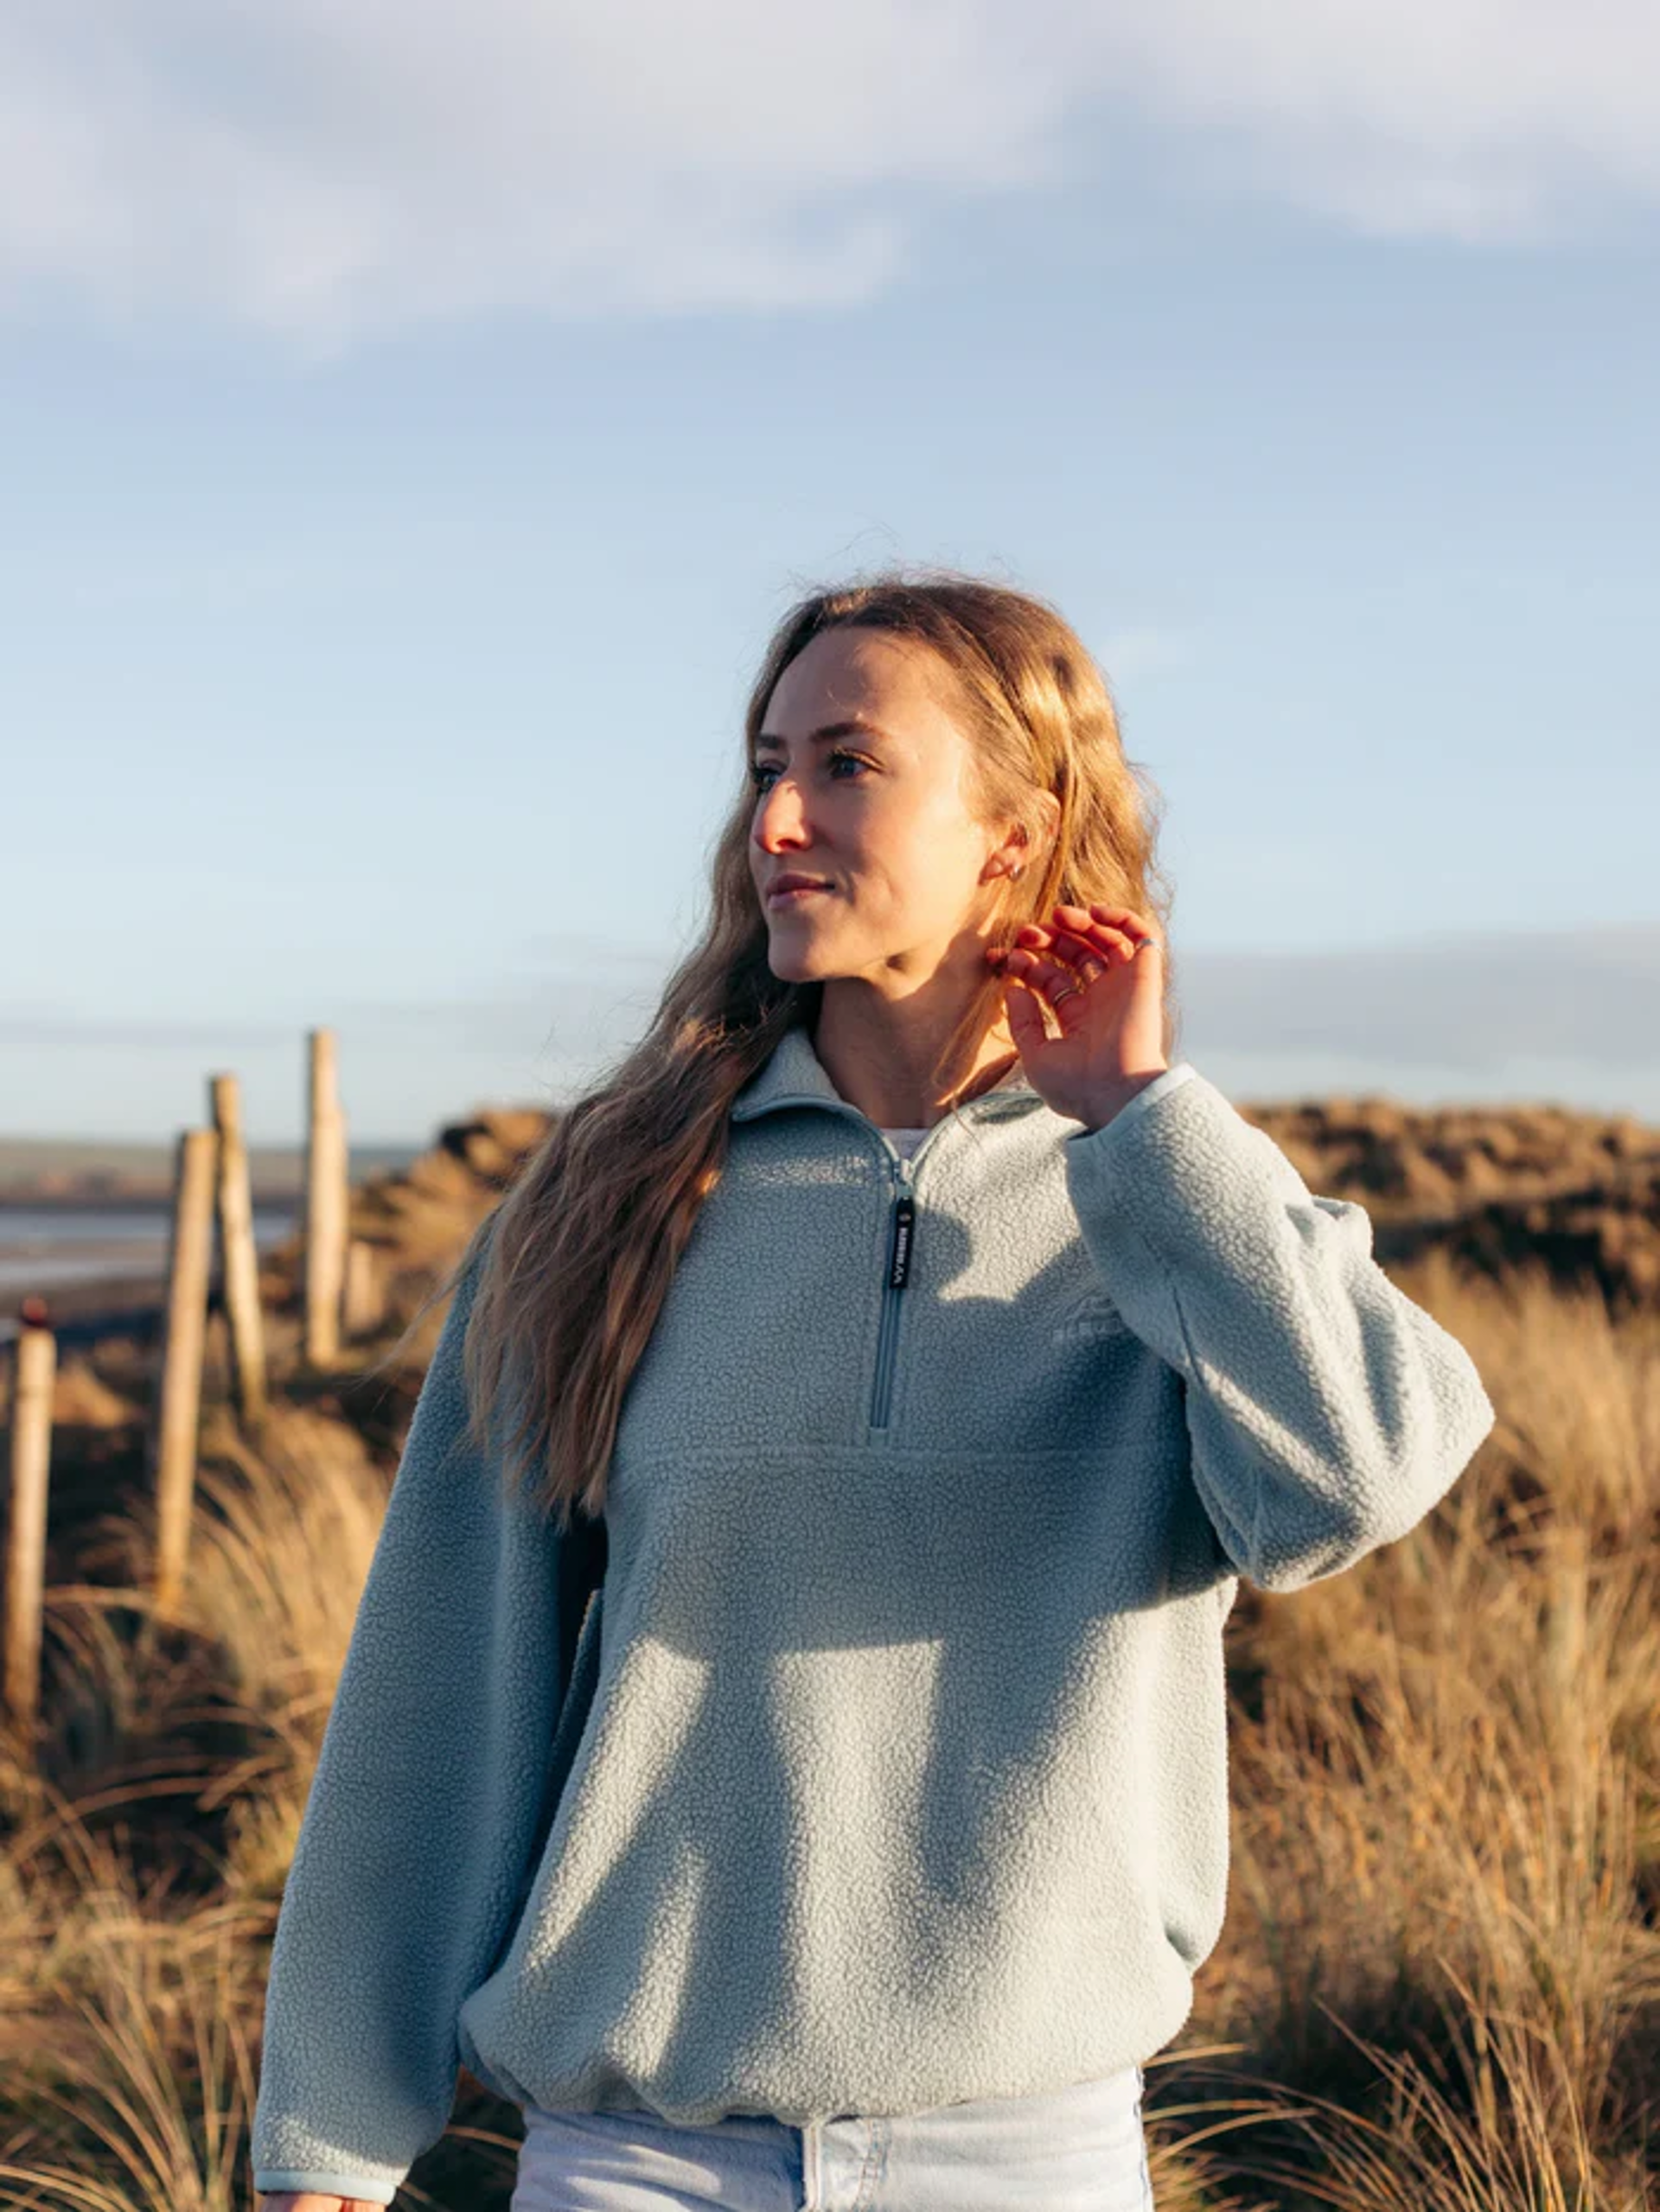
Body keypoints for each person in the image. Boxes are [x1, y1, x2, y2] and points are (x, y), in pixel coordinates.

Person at [252, 570, 1497, 2211]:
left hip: (1026, 2156)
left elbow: (1358, 1481)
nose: (775, 818)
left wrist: (1139, 1119)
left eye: (846, 763)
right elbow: (437, 1689)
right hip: (638, 2157)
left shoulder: (1166, 1201)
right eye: (768, 764)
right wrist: (328, 2136)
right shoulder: (605, 1207)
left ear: (1015, 832)